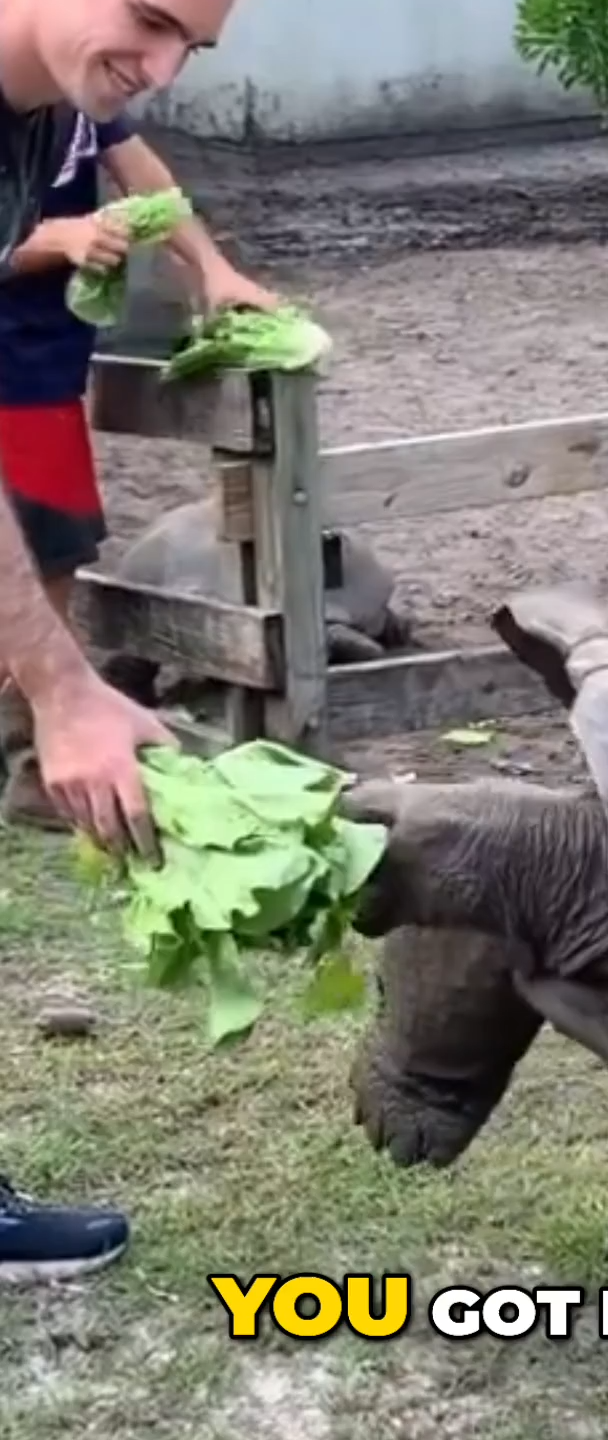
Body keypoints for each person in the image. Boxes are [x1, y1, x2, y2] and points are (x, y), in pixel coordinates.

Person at [0, 0, 245, 1286]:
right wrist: (60, 683)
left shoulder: (43, 108)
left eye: (189, 49)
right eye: (149, 19)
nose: (158, 68)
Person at [0, 109, 277, 827]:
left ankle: (35, 746)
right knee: (37, 559)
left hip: (46, 365)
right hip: (11, 367)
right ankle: (39, 759)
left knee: (54, 550)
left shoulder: (79, 95)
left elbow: (150, 183)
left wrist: (212, 269)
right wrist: (55, 237)